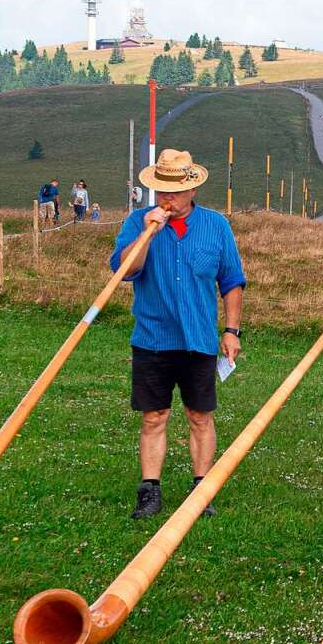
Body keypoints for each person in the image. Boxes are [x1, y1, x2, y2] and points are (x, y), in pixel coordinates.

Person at [111, 149, 246, 519]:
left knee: (200, 415)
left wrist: (231, 330)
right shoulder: (138, 223)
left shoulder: (216, 226)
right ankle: (149, 491)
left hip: (198, 338)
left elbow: (231, 281)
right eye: (160, 190)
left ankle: (202, 489)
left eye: (173, 191)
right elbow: (125, 271)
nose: (166, 198)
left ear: (191, 190)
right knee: (154, 416)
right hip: (152, 338)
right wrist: (147, 233)